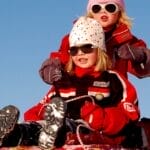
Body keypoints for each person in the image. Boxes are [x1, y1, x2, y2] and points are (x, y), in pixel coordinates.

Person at [0, 16, 142, 150]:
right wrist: (38, 114)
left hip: (90, 130)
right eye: (74, 50)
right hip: (55, 127)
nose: (80, 53)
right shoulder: (65, 81)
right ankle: (14, 134)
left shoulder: (113, 80)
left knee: (67, 127)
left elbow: (129, 116)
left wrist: (102, 118)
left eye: (87, 48)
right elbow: (41, 106)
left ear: (100, 50)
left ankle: (49, 132)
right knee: (36, 126)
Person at [39, 0, 150, 85]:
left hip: (114, 93)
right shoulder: (75, 37)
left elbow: (144, 71)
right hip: (81, 89)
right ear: (91, 13)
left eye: (110, 7)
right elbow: (61, 58)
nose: (103, 11)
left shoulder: (126, 40)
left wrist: (141, 56)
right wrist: (51, 68)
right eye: (97, 8)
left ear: (119, 12)